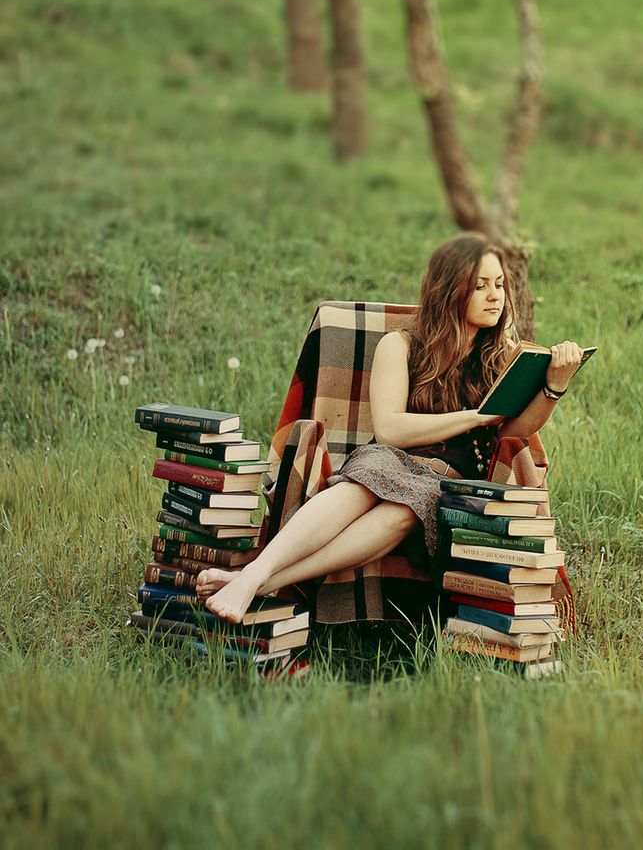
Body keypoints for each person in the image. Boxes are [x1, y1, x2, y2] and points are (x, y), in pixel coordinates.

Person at [196, 232, 584, 624]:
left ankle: (253, 582)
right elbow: (390, 431)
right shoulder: (399, 346)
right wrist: (474, 417)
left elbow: (512, 434)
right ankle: (257, 576)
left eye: (499, 285)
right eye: (480, 285)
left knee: (404, 511)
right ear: (450, 289)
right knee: (364, 482)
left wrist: (555, 385)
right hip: (390, 458)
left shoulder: (501, 355)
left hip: (447, 482)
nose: (495, 295)